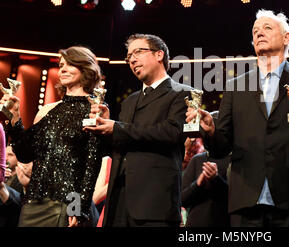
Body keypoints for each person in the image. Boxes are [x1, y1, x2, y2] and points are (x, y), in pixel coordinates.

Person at [186, 10, 289, 227]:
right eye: (255, 31)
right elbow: (221, 148)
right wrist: (211, 131)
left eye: (267, 28)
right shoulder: (236, 86)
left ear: (286, 37)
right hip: (245, 201)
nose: (259, 33)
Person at [84, 33, 191, 227]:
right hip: (119, 201)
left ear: (159, 55)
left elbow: (170, 132)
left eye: (138, 52)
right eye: (129, 56)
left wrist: (117, 128)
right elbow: (119, 143)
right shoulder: (130, 100)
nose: (132, 59)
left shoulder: (182, 93)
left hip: (154, 201)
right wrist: (105, 127)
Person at [2, 46, 104, 227]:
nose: (62, 69)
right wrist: (15, 118)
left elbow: (91, 162)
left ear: (86, 68)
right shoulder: (48, 110)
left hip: (67, 203)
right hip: (33, 202)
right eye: (61, 65)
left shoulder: (95, 109)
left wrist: (79, 207)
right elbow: (26, 154)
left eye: (70, 64)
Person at [181, 149, 230, 227]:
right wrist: (197, 184)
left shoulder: (235, 161)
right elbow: (182, 199)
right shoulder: (197, 159)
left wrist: (216, 179)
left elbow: (236, 199)